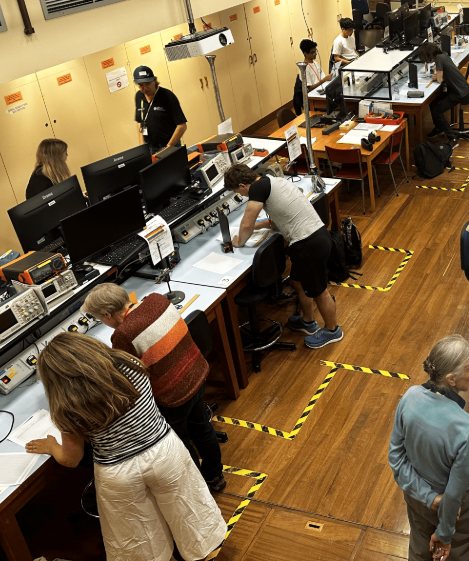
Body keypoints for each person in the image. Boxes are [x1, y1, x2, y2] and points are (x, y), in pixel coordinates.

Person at [25, 333, 226, 561]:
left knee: (141, 540)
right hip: (164, 453)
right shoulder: (130, 364)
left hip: (119, 474)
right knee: (189, 512)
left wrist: (52, 446)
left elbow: (71, 459)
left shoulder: (66, 407)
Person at [82, 283, 225, 492]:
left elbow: (129, 375)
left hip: (174, 395)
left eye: (100, 319)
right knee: (202, 427)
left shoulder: (123, 334)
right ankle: (215, 476)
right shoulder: (157, 299)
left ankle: (199, 488)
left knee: (183, 442)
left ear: (107, 314)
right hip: (196, 372)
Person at [223, 164, 342, 349]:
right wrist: (255, 227)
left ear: (242, 185)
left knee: (320, 292)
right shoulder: (273, 181)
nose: (243, 196)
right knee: (297, 281)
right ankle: (308, 322)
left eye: (238, 192)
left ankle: (333, 330)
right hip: (316, 236)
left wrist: (239, 242)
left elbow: (246, 223)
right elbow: (276, 221)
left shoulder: (256, 188)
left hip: (308, 244)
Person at [389, 335, 469, 561]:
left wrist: (428, 497)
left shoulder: (409, 396)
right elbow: (454, 494)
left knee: (419, 549)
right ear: (451, 379)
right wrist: (444, 534)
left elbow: (396, 458)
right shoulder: (467, 427)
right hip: (459, 511)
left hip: (418, 499)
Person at [419, 42, 469, 146]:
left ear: (430, 55)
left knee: (437, 112)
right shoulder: (443, 54)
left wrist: (437, 77)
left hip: (459, 92)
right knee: (433, 102)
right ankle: (439, 128)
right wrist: (439, 76)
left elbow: (439, 80)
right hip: (459, 87)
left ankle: (452, 139)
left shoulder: (439, 59)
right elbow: (443, 75)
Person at [133, 66, 187, 156]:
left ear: (154, 81)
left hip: (170, 146)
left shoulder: (167, 96)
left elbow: (182, 126)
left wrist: (168, 148)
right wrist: (142, 147)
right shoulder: (139, 96)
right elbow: (140, 122)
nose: (145, 88)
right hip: (149, 148)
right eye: (141, 85)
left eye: (148, 84)